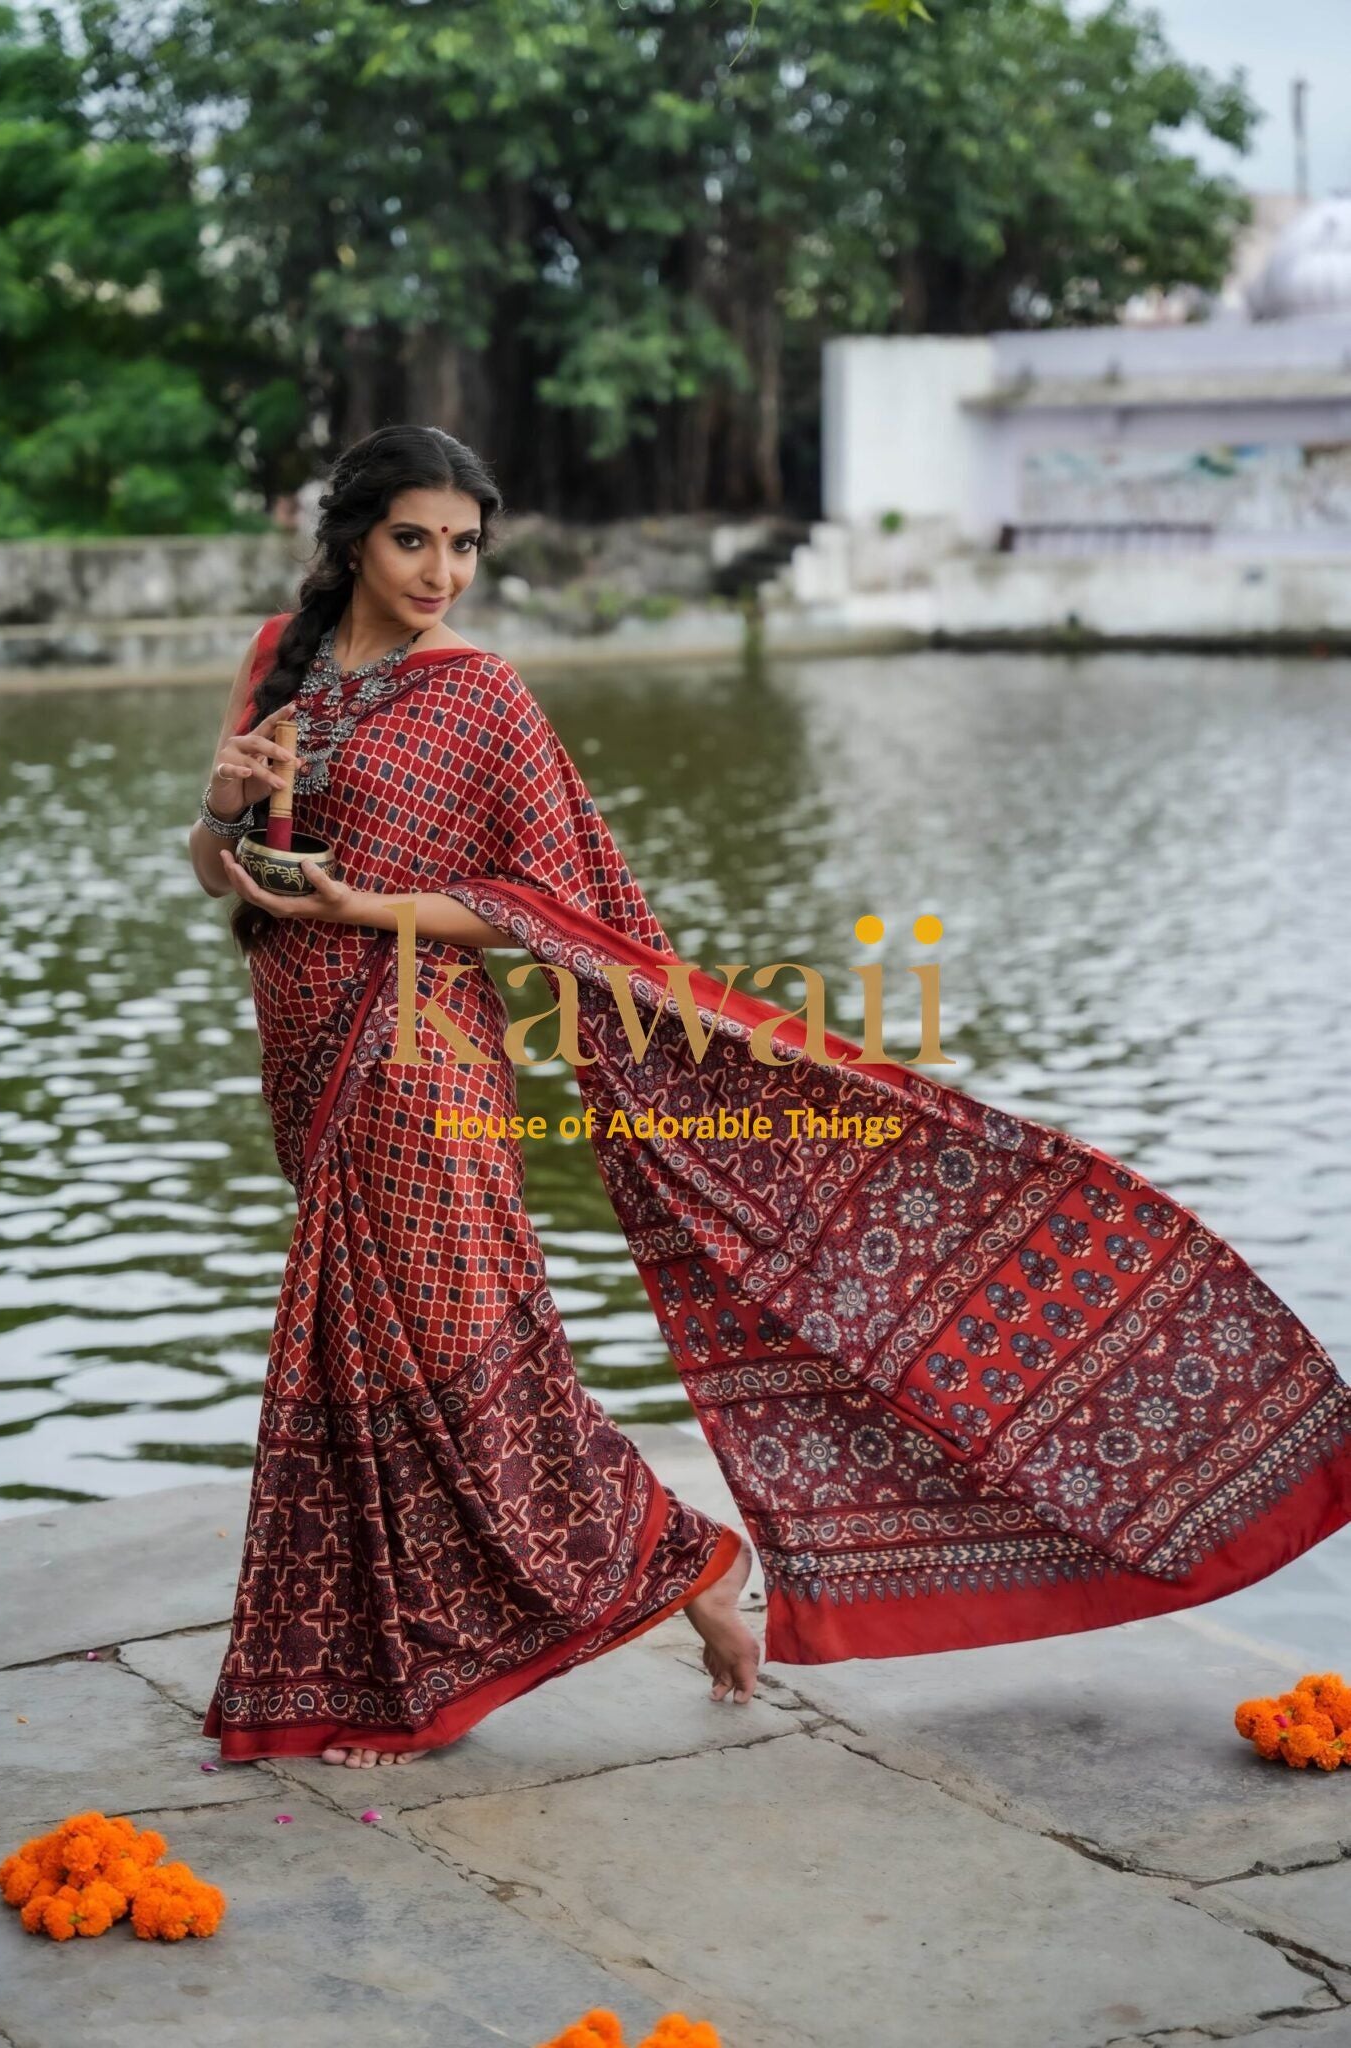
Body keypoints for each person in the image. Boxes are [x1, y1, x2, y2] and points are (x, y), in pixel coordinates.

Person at [193, 424, 1351, 1773]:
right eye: (414, 539)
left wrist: (367, 904)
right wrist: (224, 815)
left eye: (463, 543)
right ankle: (525, 1614)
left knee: (464, 1365)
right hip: (305, 1050)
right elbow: (224, 876)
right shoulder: (278, 657)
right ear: (352, 539)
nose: (443, 569)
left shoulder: (482, 695)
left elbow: (545, 910)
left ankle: (661, 1572)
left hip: (420, 1046)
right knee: (378, 1362)